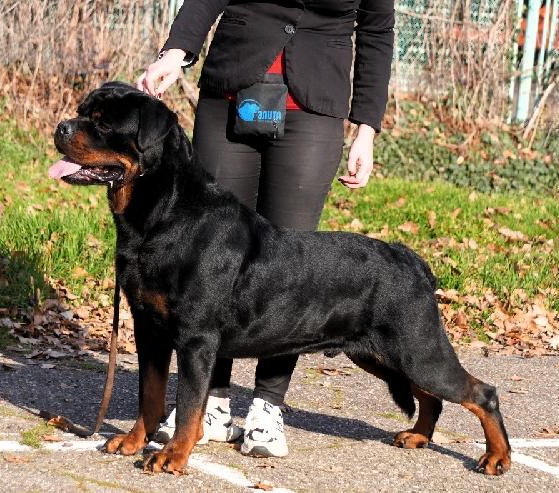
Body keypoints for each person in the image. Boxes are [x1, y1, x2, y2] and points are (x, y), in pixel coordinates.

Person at [135, 0, 395, 458]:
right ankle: (210, 403)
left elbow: (377, 32)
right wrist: (175, 53)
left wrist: (366, 130)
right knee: (209, 255)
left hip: (314, 104)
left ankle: (268, 404)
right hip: (230, 89)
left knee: (288, 266)